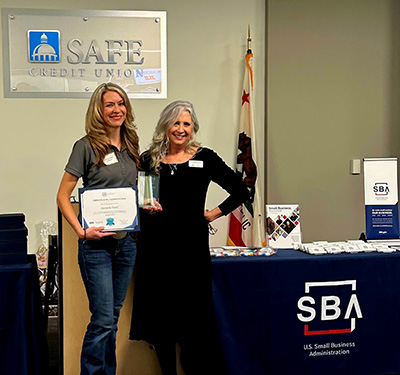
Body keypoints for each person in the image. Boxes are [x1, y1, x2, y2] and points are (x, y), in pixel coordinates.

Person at [130, 100, 249, 375]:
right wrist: (144, 205)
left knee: (193, 321)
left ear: (193, 128)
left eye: (186, 124)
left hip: (191, 251)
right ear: (166, 126)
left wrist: (215, 213)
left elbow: (241, 190)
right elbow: (142, 197)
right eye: (176, 123)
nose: (181, 129)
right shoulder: (150, 159)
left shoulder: (204, 157)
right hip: (155, 249)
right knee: (161, 320)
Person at [57, 82, 140, 375]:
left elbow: (131, 191)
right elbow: (62, 196)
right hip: (96, 247)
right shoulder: (85, 146)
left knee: (113, 319)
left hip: (126, 244)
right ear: (98, 110)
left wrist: (147, 203)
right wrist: (81, 231)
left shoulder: (131, 143)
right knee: (103, 320)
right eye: (109, 105)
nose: (116, 110)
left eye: (120, 103)